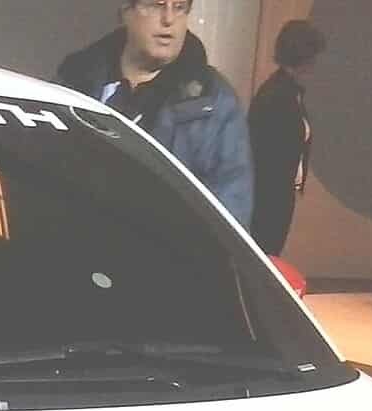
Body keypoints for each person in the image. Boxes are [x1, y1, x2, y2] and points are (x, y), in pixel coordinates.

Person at [57, 1, 254, 228]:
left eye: (179, 7)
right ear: (126, 10)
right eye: (155, 5)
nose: (168, 19)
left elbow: (230, 219)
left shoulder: (213, 102)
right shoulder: (74, 81)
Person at [247, 19, 326, 256]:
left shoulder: (288, 92)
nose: (315, 64)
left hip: (277, 194)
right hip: (269, 198)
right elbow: (263, 154)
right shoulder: (277, 96)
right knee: (266, 253)